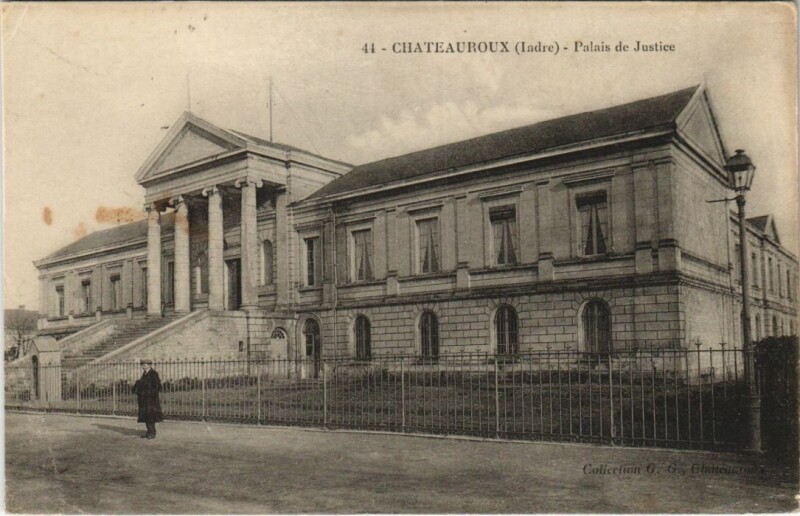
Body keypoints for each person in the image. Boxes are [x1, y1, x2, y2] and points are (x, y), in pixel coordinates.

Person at [132, 359, 163, 439]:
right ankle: (149, 431)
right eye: (142, 365)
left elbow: (158, 387)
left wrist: (150, 394)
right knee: (146, 416)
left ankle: (152, 433)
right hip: (144, 399)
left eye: (144, 365)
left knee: (151, 416)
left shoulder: (153, 373)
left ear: (149, 365)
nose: (143, 366)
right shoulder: (145, 373)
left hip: (151, 400)